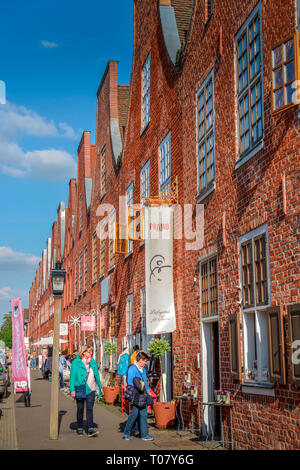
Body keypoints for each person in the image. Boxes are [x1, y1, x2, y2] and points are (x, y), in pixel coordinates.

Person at [69, 345, 102, 437]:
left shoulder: (93, 362)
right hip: (80, 388)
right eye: (89, 352)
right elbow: (72, 377)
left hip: (91, 389)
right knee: (80, 409)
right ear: (83, 352)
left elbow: (97, 376)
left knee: (90, 409)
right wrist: (72, 390)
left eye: (91, 351)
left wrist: (99, 387)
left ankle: (90, 429)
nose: (91, 353)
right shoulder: (76, 362)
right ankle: (79, 427)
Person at [123, 351, 154, 441]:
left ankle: (144, 435)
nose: (145, 363)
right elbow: (130, 382)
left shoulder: (143, 370)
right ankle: (126, 433)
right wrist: (133, 394)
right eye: (144, 361)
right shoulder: (132, 369)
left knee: (143, 415)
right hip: (136, 395)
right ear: (140, 360)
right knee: (134, 414)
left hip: (143, 394)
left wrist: (148, 391)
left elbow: (145, 382)